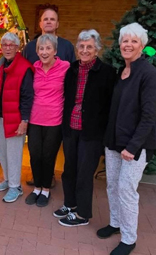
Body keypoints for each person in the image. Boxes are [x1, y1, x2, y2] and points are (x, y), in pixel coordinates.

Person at [97, 23, 156, 255]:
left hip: (135, 146)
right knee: (112, 185)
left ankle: (129, 238)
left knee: (126, 189)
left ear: (142, 46)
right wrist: (108, 140)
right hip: (114, 141)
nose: (127, 45)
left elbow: (150, 115)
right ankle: (116, 223)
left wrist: (132, 146)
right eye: (124, 41)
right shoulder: (122, 71)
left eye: (133, 41)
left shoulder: (148, 73)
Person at [53, 29, 116, 227]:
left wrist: (105, 133)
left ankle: (82, 214)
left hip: (92, 132)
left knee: (84, 173)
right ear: (77, 49)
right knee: (69, 169)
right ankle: (69, 204)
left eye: (90, 47)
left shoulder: (107, 72)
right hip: (71, 128)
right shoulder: (71, 70)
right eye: (82, 46)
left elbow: (110, 106)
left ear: (97, 49)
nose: (85, 50)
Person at [22, 4, 76, 187]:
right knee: (36, 151)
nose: (49, 22)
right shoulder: (30, 47)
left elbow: (72, 80)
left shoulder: (67, 47)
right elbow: (24, 76)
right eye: (46, 19)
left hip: (56, 110)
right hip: (35, 111)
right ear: (40, 23)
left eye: (52, 19)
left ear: (58, 23)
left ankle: (48, 179)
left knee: (49, 151)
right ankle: (40, 180)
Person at [25, 34, 69, 207]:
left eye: (48, 48)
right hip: (35, 119)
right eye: (41, 49)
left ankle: (45, 189)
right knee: (35, 155)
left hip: (55, 120)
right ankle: (36, 188)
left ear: (55, 51)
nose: (44, 52)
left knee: (48, 156)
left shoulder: (64, 67)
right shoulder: (33, 68)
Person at [0, 32, 34, 203]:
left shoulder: (24, 67)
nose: (7, 48)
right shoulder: (1, 66)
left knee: (14, 153)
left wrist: (24, 121)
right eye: (5, 45)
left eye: (11, 45)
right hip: (1, 116)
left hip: (16, 119)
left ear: (17, 48)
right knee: (3, 151)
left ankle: (15, 187)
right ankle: (8, 180)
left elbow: (27, 97)